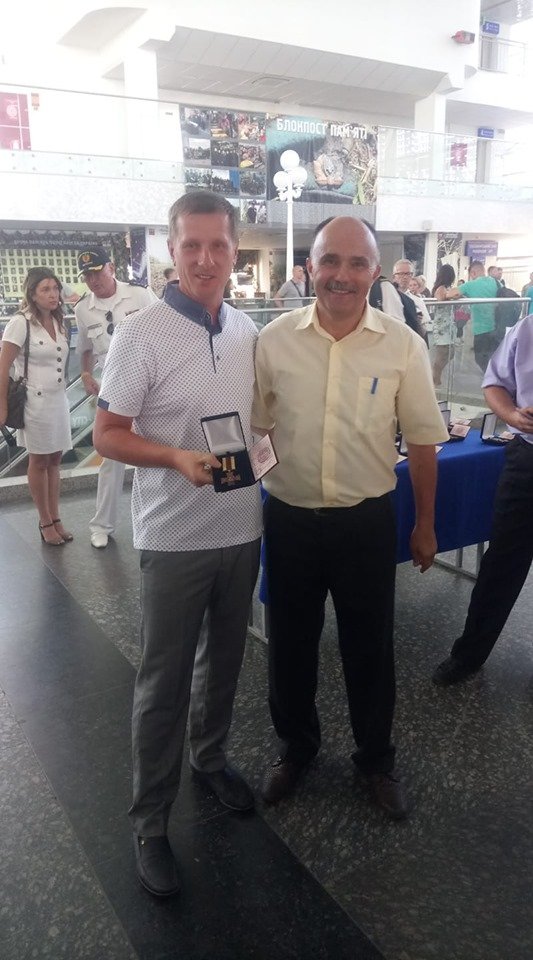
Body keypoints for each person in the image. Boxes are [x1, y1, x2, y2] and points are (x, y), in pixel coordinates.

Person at [93, 191, 262, 898]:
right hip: (172, 537)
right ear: (172, 249)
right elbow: (107, 434)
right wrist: (172, 457)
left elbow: (252, 421)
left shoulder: (248, 329)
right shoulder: (141, 334)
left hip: (241, 527)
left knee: (224, 661)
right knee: (163, 682)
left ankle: (210, 759)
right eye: (191, 244)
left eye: (218, 245)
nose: (205, 259)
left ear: (234, 251)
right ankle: (150, 822)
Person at [252, 216, 448, 819]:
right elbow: (255, 429)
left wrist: (425, 525)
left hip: (365, 522)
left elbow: (422, 441)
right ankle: (297, 749)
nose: (342, 275)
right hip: (289, 519)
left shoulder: (403, 345)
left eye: (357, 263)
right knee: (290, 646)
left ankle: (376, 760)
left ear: (375, 272)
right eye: (330, 261)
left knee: (370, 647)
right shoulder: (274, 340)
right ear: (311, 266)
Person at [433, 316, 533, 686]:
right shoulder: (527, 329)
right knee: (502, 562)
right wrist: (511, 415)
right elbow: (495, 383)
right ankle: (469, 654)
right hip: (528, 458)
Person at [75, 246, 157, 548]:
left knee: (157, 449)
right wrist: (86, 373)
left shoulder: (139, 295)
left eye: (97, 272)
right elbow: (84, 348)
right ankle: (102, 526)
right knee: (110, 457)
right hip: (113, 388)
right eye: (87, 276)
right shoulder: (83, 309)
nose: (93, 280)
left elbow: (165, 328)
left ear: (110, 268)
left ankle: (156, 520)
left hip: (150, 384)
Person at [0, 267, 73, 545]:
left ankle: (56, 517)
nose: (53, 294)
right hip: (34, 401)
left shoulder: (58, 319)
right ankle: (44, 521)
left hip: (58, 399)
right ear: (32, 293)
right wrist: (1, 405)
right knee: (39, 460)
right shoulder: (21, 322)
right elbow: (3, 366)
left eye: (55, 288)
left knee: (55, 459)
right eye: (45, 289)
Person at [445, 261, 499, 372]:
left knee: (481, 360)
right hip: (497, 329)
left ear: (473, 273)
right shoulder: (496, 282)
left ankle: (491, 380)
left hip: (481, 330)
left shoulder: (472, 284)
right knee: (494, 360)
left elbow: (450, 294)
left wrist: (460, 295)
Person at [430, 264, 456, 387]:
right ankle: (434, 379)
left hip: (448, 324)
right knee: (442, 352)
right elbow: (440, 298)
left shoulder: (447, 288)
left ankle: (436, 377)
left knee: (450, 352)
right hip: (442, 326)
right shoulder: (441, 288)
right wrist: (450, 296)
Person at [393, 259, 432, 333]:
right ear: (394, 276)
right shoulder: (387, 298)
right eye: (401, 274)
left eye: (408, 274)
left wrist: (418, 322)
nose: (405, 277)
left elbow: (424, 330)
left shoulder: (417, 301)